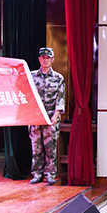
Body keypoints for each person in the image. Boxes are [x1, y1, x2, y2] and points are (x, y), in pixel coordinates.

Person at [28, 47, 66, 185]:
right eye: (43, 57)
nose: (45, 60)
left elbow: (60, 99)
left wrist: (55, 116)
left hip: (51, 116)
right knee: (36, 148)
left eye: (48, 58)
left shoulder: (58, 78)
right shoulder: (31, 76)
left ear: (52, 60)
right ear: (39, 59)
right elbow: (28, 96)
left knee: (51, 148)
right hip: (35, 117)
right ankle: (37, 173)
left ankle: (50, 174)